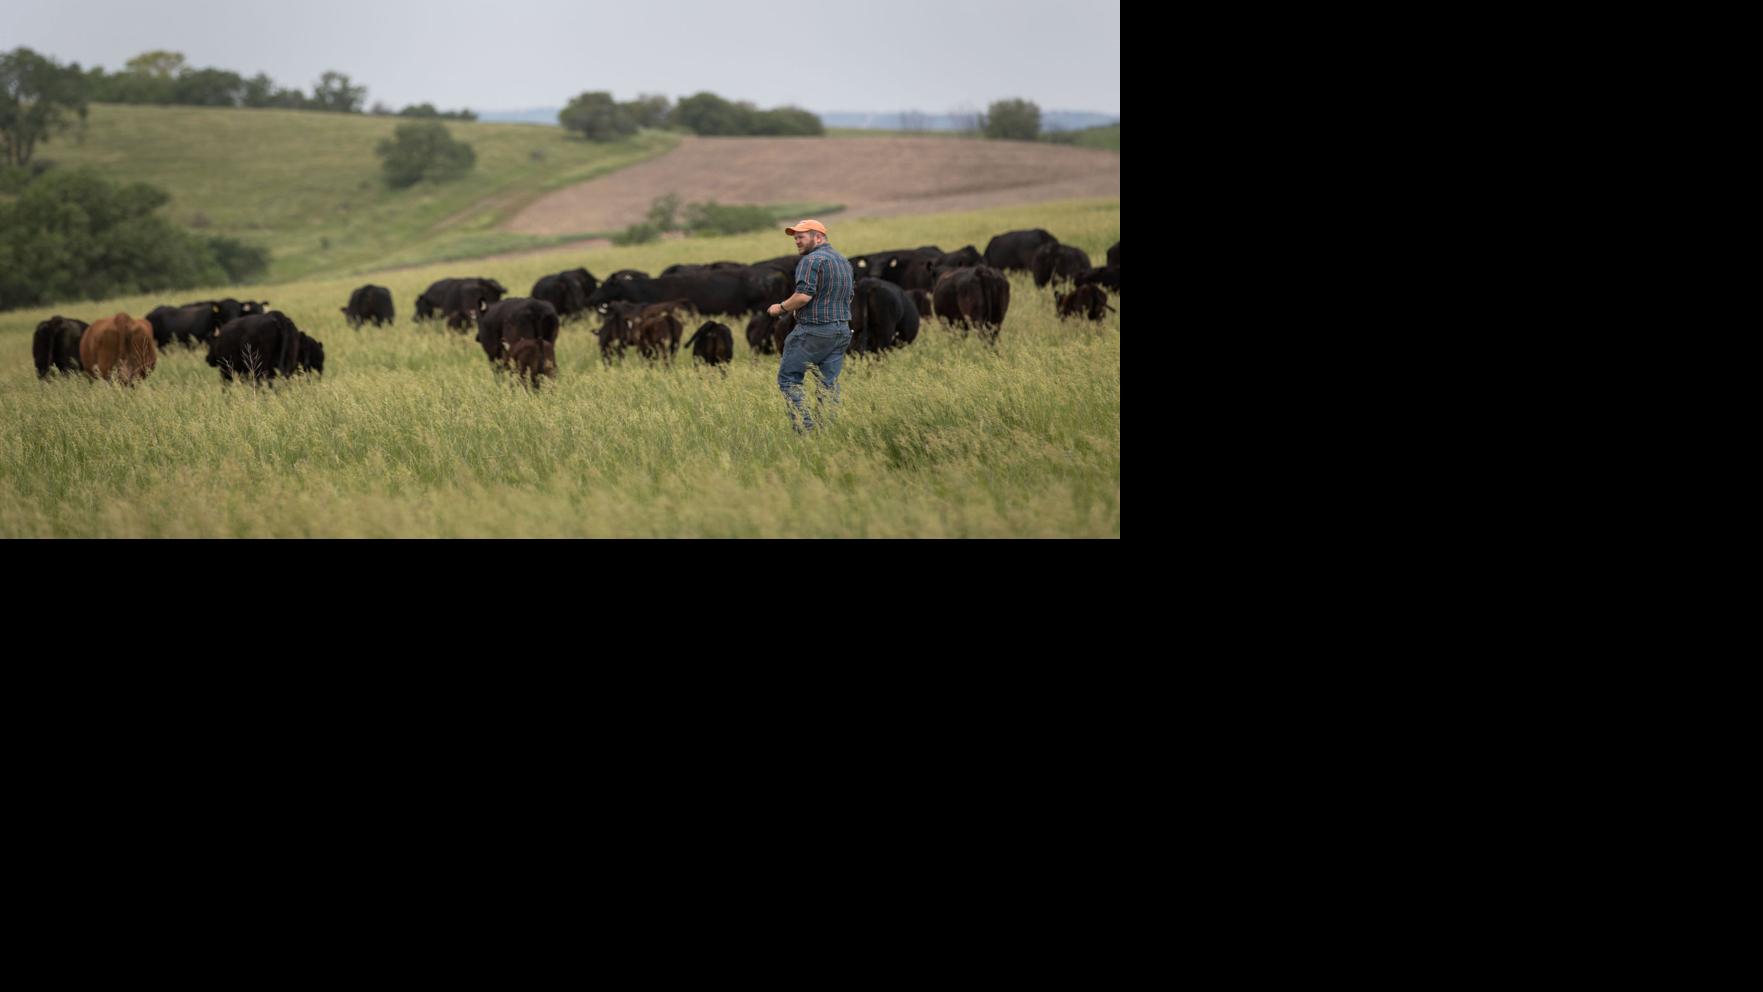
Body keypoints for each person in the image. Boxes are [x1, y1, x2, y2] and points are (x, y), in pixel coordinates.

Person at [769, 220, 853, 431]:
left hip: (814, 330)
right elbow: (849, 296)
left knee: (788, 379)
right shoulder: (843, 261)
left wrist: (780, 308)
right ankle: (826, 430)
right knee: (828, 384)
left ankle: (805, 429)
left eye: (802, 236)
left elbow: (803, 296)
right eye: (795, 237)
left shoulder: (811, 260)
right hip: (841, 330)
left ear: (818, 237)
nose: (797, 241)